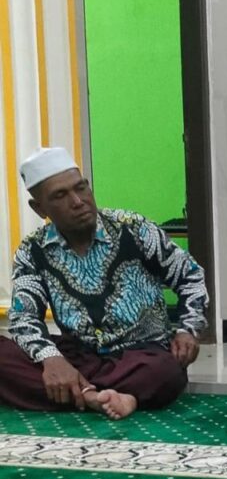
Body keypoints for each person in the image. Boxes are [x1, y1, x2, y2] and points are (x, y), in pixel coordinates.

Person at [0, 147, 208, 420]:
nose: (78, 201)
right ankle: (99, 397)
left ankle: (77, 392)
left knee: (165, 371)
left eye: (81, 188)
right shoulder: (32, 251)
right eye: (60, 196)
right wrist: (52, 358)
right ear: (39, 208)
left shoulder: (133, 228)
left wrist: (188, 330)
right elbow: (24, 317)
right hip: (78, 356)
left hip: (141, 355)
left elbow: (189, 276)